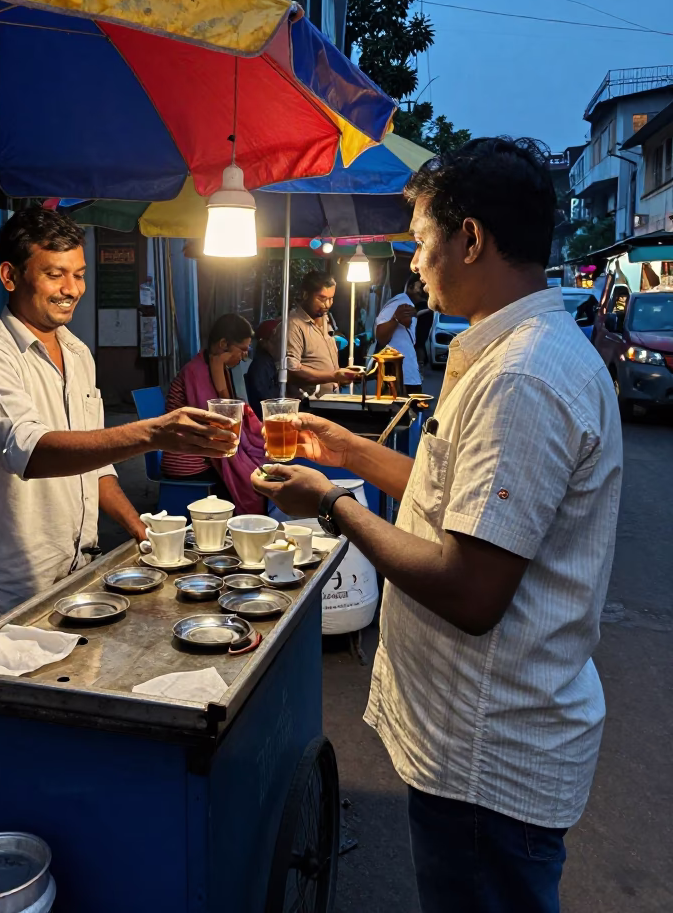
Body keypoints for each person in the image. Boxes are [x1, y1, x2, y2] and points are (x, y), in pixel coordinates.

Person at [252, 137, 622, 913]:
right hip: (479, 751)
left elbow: (471, 588)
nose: (414, 262)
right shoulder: (506, 354)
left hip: (491, 761)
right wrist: (350, 449)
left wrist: (331, 503)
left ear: (472, 238)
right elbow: (454, 497)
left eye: (421, 240)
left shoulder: (523, 376)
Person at [0, 208, 236, 645]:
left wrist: (141, 529)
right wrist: (152, 433)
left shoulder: (78, 354)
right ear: (9, 275)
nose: (71, 289)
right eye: (55, 274)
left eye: (78, 274)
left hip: (70, 585)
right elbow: (33, 452)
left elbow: (94, 466)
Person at [162, 314, 266, 513]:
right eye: (242, 349)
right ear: (223, 343)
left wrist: (219, 368)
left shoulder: (215, 367)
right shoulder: (196, 371)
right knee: (252, 483)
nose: (244, 356)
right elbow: (219, 420)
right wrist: (218, 369)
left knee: (260, 467)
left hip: (204, 452)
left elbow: (230, 410)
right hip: (187, 461)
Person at [280, 271, 362, 398]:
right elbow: (292, 370)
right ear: (305, 294)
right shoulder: (293, 325)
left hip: (331, 400)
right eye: (322, 299)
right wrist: (333, 376)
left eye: (331, 298)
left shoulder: (327, 318)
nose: (327, 305)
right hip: (307, 404)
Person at [375, 272, 429, 391]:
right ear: (410, 287)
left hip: (405, 374)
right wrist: (395, 318)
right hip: (399, 375)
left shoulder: (407, 303)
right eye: (421, 286)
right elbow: (380, 336)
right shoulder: (400, 302)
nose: (425, 289)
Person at [244, 318, 280, 420]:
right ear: (263, 342)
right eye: (276, 341)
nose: (280, 345)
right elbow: (265, 398)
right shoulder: (261, 365)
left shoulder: (271, 362)